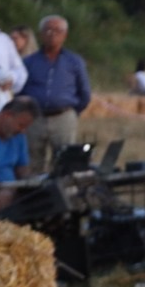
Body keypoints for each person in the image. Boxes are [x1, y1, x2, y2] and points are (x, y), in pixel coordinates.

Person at [20, 15, 91, 171]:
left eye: (57, 31)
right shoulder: (29, 62)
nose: (52, 34)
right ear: (41, 34)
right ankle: (34, 187)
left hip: (63, 117)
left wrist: (73, 112)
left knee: (64, 162)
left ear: (65, 35)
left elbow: (84, 92)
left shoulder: (74, 61)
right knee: (32, 161)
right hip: (35, 118)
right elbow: (21, 90)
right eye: (48, 30)